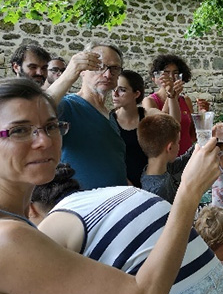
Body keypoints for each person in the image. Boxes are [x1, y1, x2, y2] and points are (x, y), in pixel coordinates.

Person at [0, 77, 222, 294]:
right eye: (19, 130)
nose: (45, 141)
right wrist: (189, 192)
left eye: (51, 126)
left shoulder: (11, 224)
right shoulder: (1, 239)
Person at [47, 41, 128, 189]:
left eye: (114, 68)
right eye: (100, 67)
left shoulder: (109, 116)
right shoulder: (68, 106)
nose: (108, 74)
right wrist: (69, 75)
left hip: (113, 204)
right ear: (83, 70)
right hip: (81, 204)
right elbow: (36, 109)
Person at [111, 70, 182, 187]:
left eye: (122, 90)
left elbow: (174, 124)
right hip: (121, 186)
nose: (115, 94)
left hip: (151, 183)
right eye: (114, 89)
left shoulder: (147, 114)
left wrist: (172, 96)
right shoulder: (109, 121)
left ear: (136, 94)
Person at [142, 54, 195, 156]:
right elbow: (162, 127)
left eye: (175, 73)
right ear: (155, 78)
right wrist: (171, 95)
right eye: (166, 73)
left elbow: (192, 132)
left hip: (186, 156)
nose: (171, 77)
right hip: (165, 158)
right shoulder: (149, 101)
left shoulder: (186, 100)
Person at [138, 113, 188, 203]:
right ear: (170, 147)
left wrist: (207, 137)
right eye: (177, 142)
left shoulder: (154, 169)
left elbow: (183, 161)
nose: (178, 146)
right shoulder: (160, 190)